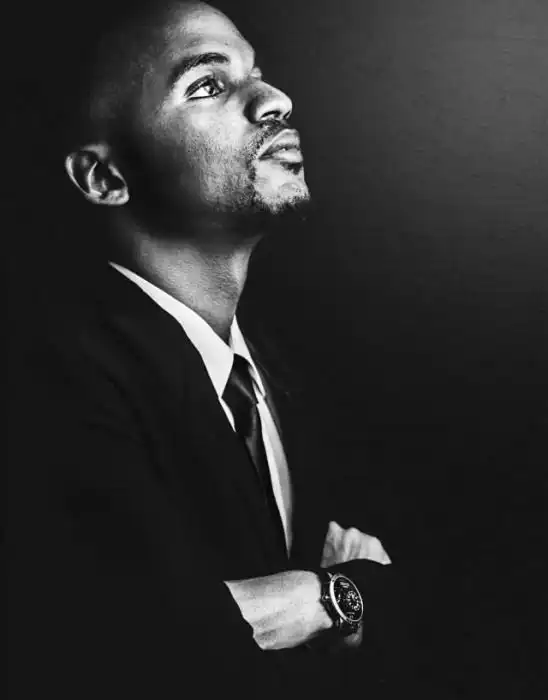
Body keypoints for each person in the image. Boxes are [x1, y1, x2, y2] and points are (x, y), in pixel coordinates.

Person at [8, 2, 405, 698]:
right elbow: (139, 647)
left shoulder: (289, 376)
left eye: (258, 73)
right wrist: (333, 595)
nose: (275, 100)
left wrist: (314, 600)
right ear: (104, 178)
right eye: (208, 85)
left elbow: (401, 592)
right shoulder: (43, 382)